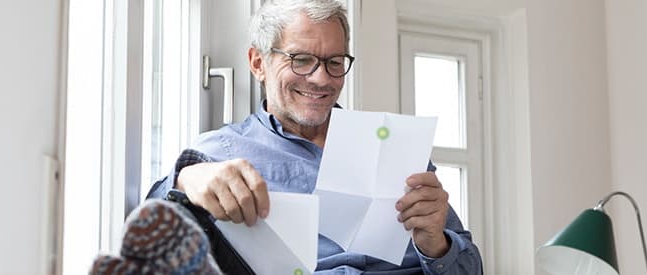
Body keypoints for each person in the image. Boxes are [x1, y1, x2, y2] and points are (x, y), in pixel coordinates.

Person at [144, 0, 483, 274]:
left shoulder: (395, 149)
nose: (321, 79)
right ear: (258, 63)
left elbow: (472, 269)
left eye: (334, 62)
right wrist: (186, 177)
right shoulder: (219, 152)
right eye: (301, 59)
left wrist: (436, 244)